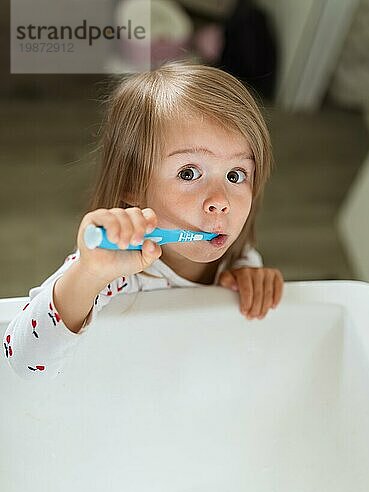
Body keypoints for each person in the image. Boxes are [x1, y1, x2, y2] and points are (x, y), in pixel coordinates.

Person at [2, 61, 284, 380]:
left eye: (236, 175)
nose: (220, 201)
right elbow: (24, 362)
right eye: (189, 173)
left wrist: (251, 278)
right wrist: (89, 273)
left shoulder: (237, 256)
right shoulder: (114, 271)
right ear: (133, 185)